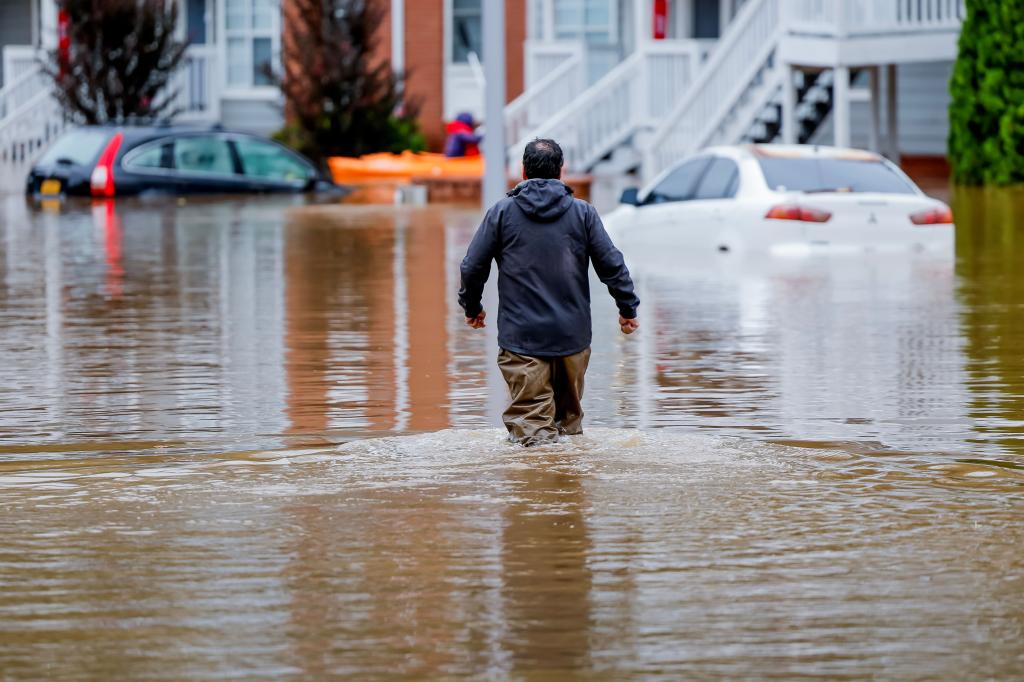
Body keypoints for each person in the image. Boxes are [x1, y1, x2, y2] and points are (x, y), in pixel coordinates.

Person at [458, 138, 640, 446]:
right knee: (567, 427)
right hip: (572, 339)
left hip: (522, 339)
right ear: (561, 171)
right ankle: (568, 491)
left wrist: (472, 307)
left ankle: (538, 489)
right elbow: (612, 264)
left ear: (523, 172)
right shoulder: (584, 214)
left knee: (532, 434)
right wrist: (627, 309)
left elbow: (472, 266)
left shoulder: (502, 213)